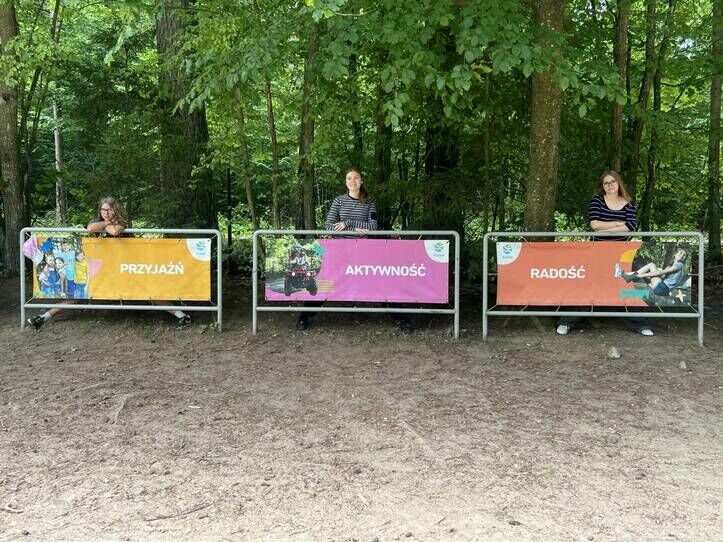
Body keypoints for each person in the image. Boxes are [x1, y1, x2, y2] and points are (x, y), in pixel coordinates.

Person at [26, 197, 192, 330]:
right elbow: (90, 228)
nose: (105, 213)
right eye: (103, 210)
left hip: (127, 265)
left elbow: (115, 231)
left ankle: (182, 316)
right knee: (77, 295)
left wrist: (105, 225)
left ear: (115, 210)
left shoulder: (122, 221)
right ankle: (43, 318)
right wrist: (106, 223)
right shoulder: (98, 221)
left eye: (109, 209)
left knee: (150, 290)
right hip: (103, 269)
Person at [296, 167, 414, 334]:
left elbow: (372, 227)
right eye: (349, 178)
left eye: (356, 178)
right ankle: (304, 316)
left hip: (363, 251)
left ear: (361, 181)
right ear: (346, 182)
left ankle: (401, 318)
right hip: (340, 251)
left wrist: (348, 223)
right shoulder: (339, 201)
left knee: (380, 283)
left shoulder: (369, 202)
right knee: (326, 283)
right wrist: (354, 228)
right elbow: (329, 227)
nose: (353, 181)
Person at [556, 170, 654, 337]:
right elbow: (594, 225)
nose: (610, 185)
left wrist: (606, 227)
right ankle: (566, 322)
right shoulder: (597, 201)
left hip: (622, 252)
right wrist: (617, 223)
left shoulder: (628, 203)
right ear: (602, 186)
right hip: (598, 250)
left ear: (618, 183)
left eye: (613, 181)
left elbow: (630, 227)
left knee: (627, 286)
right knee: (586, 286)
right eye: (606, 183)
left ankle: (641, 324)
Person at [622, 249, 689, 296]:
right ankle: (627, 276)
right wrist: (647, 275)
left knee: (651, 265)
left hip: (662, 288)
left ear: (684, 259)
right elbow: (662, 277)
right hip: (663, 290)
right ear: (675, 254)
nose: (682, 255)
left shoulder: (679, 265)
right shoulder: (671, 266)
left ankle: (629, 277)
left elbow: (660, 273)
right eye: (681, 253)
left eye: (684, 255)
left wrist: (642, 275)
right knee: (645, 275)